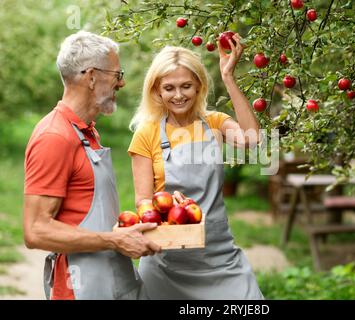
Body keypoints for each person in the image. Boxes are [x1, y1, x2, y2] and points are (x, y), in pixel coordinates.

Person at [23, 30, 161, 300]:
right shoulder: (54, 136)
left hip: (113, 276)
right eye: (117, 75)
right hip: (81, 286)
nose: (121, 84)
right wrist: (113, 240)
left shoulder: (86, 132)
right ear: (92, 76)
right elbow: (35, 230)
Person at [128, 34, 264, 299]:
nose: (178, 95)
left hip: (219, 257)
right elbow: (142, 202)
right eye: (169, 88)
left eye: (186, 86)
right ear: (157, 90)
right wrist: (164, 203)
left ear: (199, 86)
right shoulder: (147, 134)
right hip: (167, 261)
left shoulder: (215, 123)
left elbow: (252, 140)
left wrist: (228, 78)